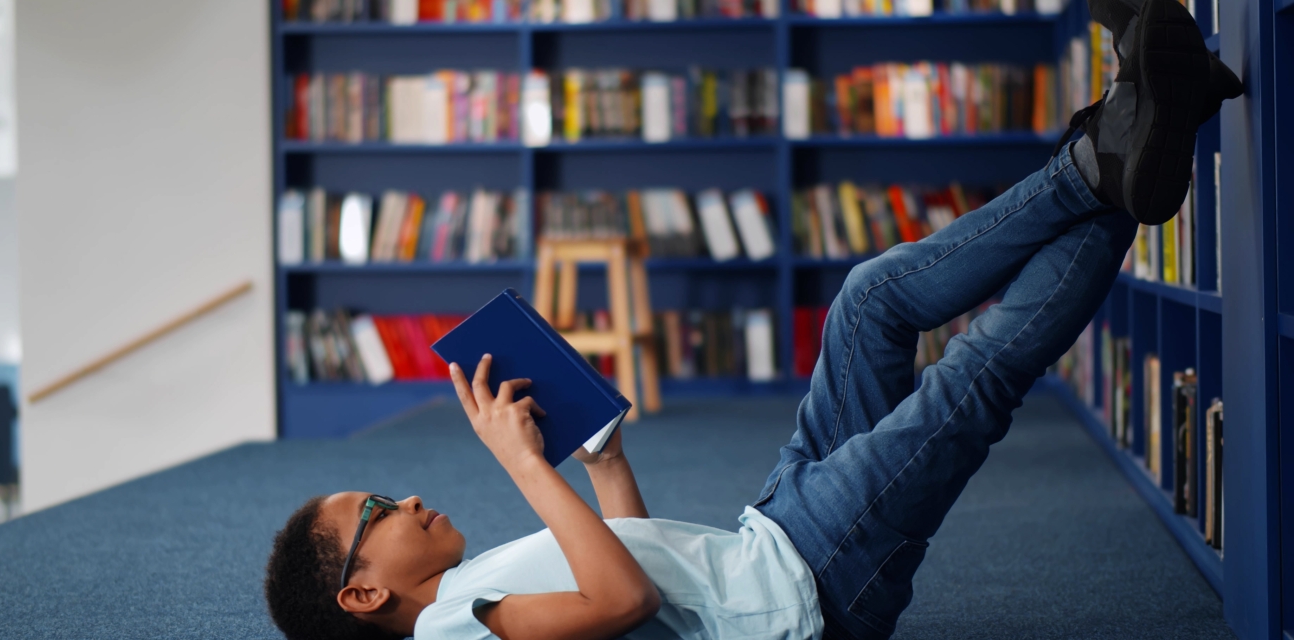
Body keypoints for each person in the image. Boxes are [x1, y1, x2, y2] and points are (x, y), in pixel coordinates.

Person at [263, 0, 1243, 637]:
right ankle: (1127, 149)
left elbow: (639, 581)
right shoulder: (451, 633)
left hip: (771, 529)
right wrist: (524, 464)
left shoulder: (472, 595)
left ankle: (1120, 150)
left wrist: (600, 458)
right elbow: (625, 598)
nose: (402, 500)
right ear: (361, 593)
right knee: (968, 383)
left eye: (382, 492)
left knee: (867, 300)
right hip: (808, 589)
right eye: (376, 515)